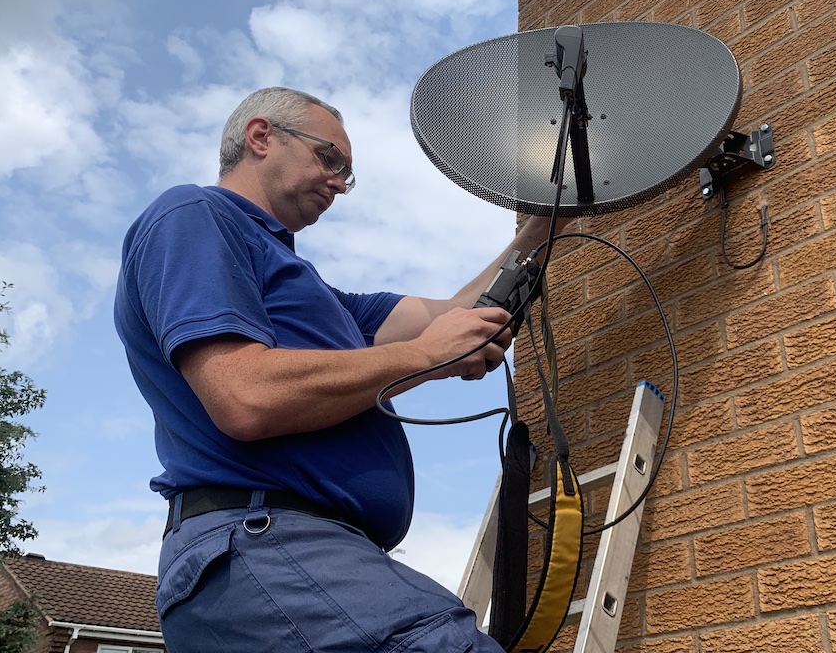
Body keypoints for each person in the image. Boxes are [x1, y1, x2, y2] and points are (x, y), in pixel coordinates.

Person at [114, 86, 553, 652]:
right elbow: (244, 395)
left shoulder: (321, 301)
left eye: (349, 173)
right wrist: (427, 357)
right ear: (261, 136)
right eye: (330, 159)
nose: (341, 184)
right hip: (264, 543)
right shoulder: (196, 215)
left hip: (299, 555)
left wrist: (539, 229)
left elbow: (451, 317)